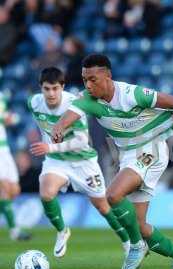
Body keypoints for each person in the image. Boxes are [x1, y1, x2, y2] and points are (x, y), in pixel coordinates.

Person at [51, 54, 173, 269]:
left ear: (108, 76)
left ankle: (135, 245)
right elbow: (70, 115)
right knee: (141, 227)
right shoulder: (87, 99)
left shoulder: (132, 94)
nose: (88, 85)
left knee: (113, 194)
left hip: (151, 149)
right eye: (85, 80)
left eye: (93, 79)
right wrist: (58, 127)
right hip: (128, 155)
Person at [28, 67, 130, 258]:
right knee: (46, 192)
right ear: (41, 88)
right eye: (47, 89)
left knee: (102, 206)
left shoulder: (74, 105)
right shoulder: (34, 103)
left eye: (55, 88)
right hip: (56, 161)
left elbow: (82, 140)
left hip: (83, 161)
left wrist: (50, 147)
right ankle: (61, 231)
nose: (51, 93)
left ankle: (127, 241)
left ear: (62, 87)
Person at [0, 92, 31, 241]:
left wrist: (8, 118)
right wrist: (7, 118)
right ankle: (15, 231)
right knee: (4, 187)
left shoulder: (1, 96)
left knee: (14, 190)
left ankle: (13, 227)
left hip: (5, 150)